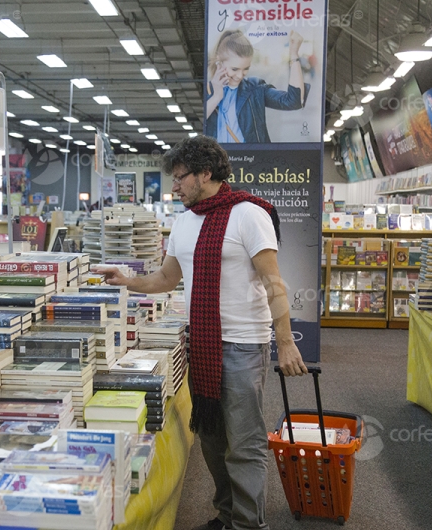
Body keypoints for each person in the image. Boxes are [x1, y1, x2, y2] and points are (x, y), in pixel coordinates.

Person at [98, 136, 307, 530]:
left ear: (205, 174)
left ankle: (248, 523)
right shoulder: (183, 221)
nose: (174, 187)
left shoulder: (249, 215)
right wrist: (126, 281)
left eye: (180, 178)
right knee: (211, 439)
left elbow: (274, 284)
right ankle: (226, 514)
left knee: (244, 443)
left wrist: (285, 344)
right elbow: (165, 279)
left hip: (245, 345)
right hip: (204, 346)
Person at [205, 29, 309, 143]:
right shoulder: (206, 90)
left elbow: (294, 101)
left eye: (246, 69)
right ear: (219, 60)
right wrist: (216, 97)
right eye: (234, 69)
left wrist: (294, 55)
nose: (240, 76)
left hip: (250, 159)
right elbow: (196, 127)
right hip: (217, 160)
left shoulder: (255, 89)